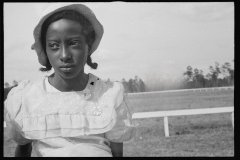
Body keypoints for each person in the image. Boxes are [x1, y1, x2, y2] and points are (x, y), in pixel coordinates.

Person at [4, 3, 135, 157]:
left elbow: (117, 154)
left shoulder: (108, 95)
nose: (65, 55)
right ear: (44, 50)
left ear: (88, 44)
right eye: (53, 45)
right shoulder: (26, 98)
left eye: (74, 43)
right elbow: (23, 151)